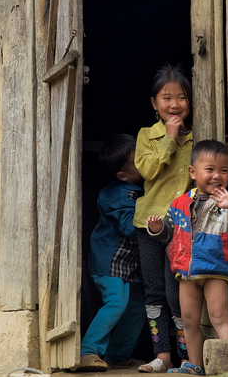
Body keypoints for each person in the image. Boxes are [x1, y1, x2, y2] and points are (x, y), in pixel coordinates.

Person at [147, 140, 228, 375]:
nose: (217, 176)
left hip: (216, 270)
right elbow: (170, 234)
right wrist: (157, 229)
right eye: (210, 169)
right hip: (186, 273)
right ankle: (194, 365)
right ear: (193, 173)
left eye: (224, 170)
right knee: (188, 321)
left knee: (219, 318)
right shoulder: (179, 203)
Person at [133, 63, 193, 373]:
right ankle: (162, 355)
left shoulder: (195, 140)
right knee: (154, 291)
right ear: (154, 103)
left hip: (181, 229)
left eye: (181, 97)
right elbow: (147, 171)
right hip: (149, 225)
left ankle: (185, 356)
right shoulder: (147, 136)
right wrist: (169, 138)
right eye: (166, 98)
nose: (174, 105)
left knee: (177, 292)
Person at [79, 134, 146, 372]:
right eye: (139, 161)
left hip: (129, 266)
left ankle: (117, 355)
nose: (146, 161)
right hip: (109, 263)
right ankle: (88, 351)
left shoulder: (137, 191)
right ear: (123, 176)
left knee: (136, 309)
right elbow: (129, 228)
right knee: (117, 303)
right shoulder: (117, 194)